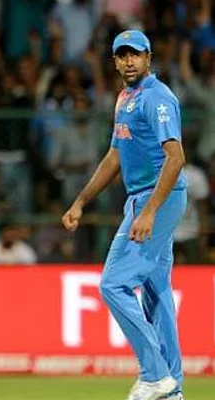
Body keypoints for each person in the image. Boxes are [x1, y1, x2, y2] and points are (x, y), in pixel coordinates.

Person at [62, 30, 186, 400]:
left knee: (112, 285)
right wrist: (81, 200)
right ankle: (173, 387)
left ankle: (154, 375)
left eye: (135, 54)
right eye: (122, 55)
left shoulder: (157, 98)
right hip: (144, 200)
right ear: (114, 61)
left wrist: (148, 212)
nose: (129, 61)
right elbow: (115, 157)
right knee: (156, 292)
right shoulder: (124, 98)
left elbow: (176, 157)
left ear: (149, 57)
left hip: (156, 201)